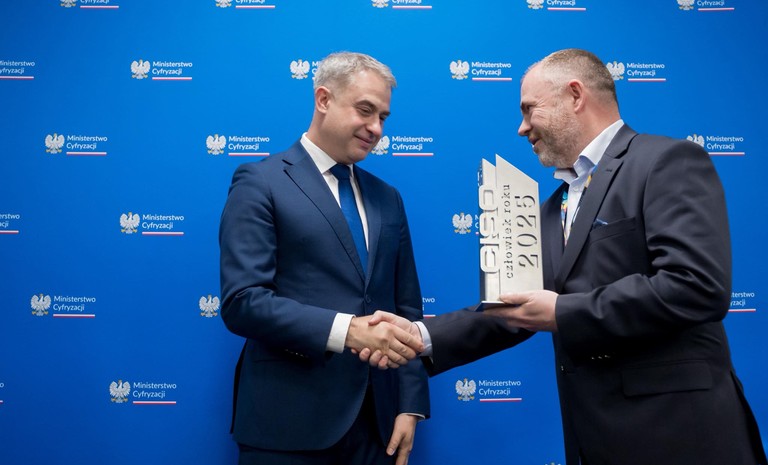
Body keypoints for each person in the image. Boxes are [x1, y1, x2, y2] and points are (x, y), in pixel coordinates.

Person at [362, 48, 767, 465]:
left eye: (529, 109)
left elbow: (696, 286)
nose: (522, 128)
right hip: (594, 439)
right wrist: (420, 336)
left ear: (575, 95)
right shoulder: (552, 207)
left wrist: (562, 312)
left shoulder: (665, 161)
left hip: (682, 436)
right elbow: (515, 309)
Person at [219, 51, 429, 465]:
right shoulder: (260, 182)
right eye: (365, 110)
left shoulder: (388, 198)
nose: (376, 128)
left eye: (383, 117)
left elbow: (407, 310)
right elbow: (243, 302)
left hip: (378, 428)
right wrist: (349, 331)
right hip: (287, 425)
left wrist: (410, 403)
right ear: (323, 99)